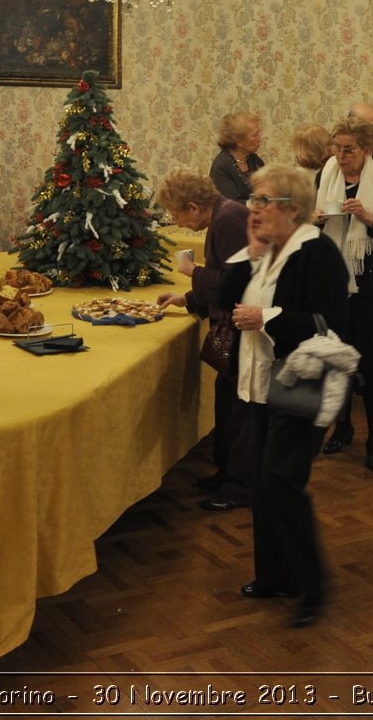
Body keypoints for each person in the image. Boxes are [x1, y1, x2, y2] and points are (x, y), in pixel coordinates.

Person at [219, 165, 351, 627]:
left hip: (299, 385)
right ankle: (274, 575)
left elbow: (333, 324)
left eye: (262, 201)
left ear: (292, 210)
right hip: (258, 387)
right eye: (253, 200)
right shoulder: (269, 250)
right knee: (263, 482)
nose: (252, 209)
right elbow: (225, 297)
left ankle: (313, 588)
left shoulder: (317, 253)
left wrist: (269, 317)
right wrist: (251, 253)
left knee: (281, 482)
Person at [155, 172, 253, 511]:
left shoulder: (228, 220)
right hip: (230, 324)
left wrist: (191, 273)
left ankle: (239, 485)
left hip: (240, 327)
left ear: (194, 207)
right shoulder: (225, 215)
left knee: (239, 408)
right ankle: (227, 473)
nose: (177, 222)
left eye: (177, 214)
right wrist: (188, 299)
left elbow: (235, 282)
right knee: (226, 402)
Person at [314, 116, 373, 471]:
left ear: (366, 149)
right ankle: (343, 428)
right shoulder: (325, 176)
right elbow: (309, 228)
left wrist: (367, 216)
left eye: (348, 149)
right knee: (337, 361)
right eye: (336, 148)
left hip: (372, 287)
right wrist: (316, 219)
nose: (340, 156)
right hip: (334, 284)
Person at [209, 112, 265, 203]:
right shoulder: (221, 167)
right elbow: (232, 205)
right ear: (238, 141)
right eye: (255, 135)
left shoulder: (256, 161)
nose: (260, 139)